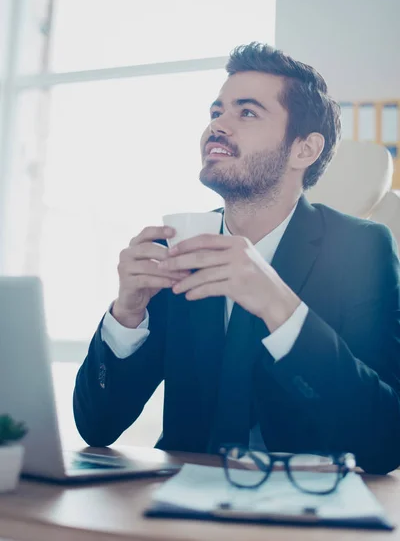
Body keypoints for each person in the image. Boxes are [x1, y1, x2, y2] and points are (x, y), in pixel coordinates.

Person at [73, 42, 400, 474]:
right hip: (175, 511)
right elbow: (97, 427)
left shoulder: (362, 248)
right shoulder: (182, 247)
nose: (217, 127)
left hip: (306, 512)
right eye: (215, 112)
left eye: (246, 113)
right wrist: (127, 316)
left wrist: (279, 307)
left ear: (304, 149)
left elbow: (384, 442)